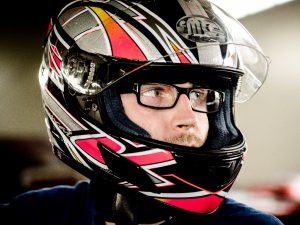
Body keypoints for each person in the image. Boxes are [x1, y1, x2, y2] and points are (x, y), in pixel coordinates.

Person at [0, 0, 284, 224]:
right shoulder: (30, 214)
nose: (190, 119)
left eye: (200, 94)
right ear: (90, 104)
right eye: (156, 92)